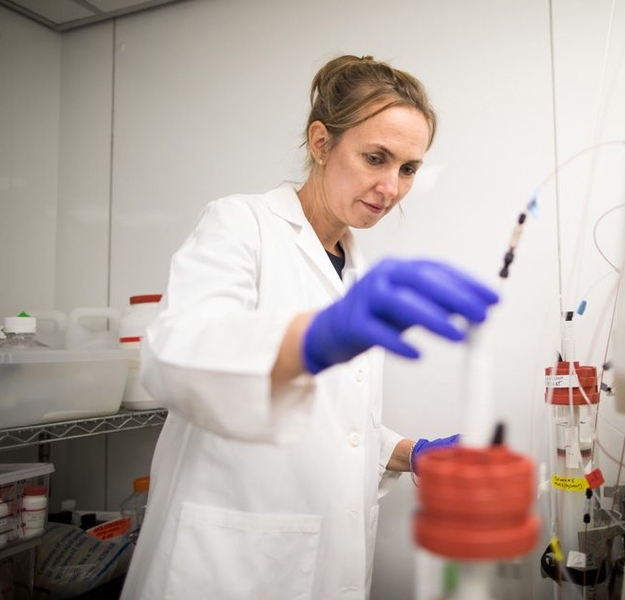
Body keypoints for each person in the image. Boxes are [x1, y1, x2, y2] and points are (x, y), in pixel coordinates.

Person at [119, 55, 499, 600]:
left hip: (320, 561)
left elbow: (335, 426)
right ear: (321, 143)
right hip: (225, 567)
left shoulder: (355, 266)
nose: (391, 187)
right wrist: (311, 340)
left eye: (409, 168)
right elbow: (172, 357)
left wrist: (410, 453)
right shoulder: (240, 223)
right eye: (376, 158)